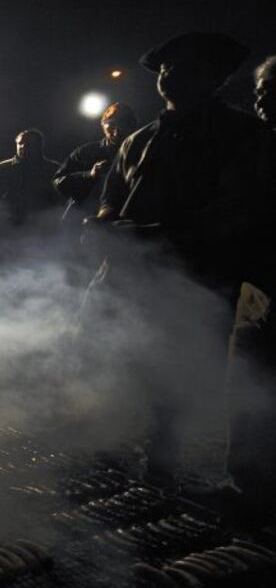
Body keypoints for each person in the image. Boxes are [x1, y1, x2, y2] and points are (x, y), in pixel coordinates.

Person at [94, 32, 274, 484]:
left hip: (200, 277)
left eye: (187, 68)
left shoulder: (245, 136)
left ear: (214, 77)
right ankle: (112, 449)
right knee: (120, 361)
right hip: (131, 274)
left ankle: (166, 462)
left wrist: (160, 235)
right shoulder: (136, 139)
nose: (171, 75)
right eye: (167, 68)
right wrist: (103, 222)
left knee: (179, 375)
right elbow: (113, 195)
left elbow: (240, 210)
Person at [225, 53, 276, 515]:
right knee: (249, 379)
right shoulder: (254, 146)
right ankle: (246, 485)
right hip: (255, 287)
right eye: (261, 90)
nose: (262, 99)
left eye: (272, 89)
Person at [53, 102, 138, 224]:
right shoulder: (86, 152)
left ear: (133, 126)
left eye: (122, 125)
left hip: (128, 221)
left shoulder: (143, 151)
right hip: (84, 220)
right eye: (112, 126)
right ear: (103, 126)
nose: (117, 132)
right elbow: (58, 183)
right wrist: (89, 175)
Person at [0, 129, 62, 225]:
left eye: (30, 143)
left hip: (44, 227)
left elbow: (63, 200)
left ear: (39, 146)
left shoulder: (53, 170)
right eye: (21, 143)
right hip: (8, 227)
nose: (24, 146)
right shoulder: (1, 169)